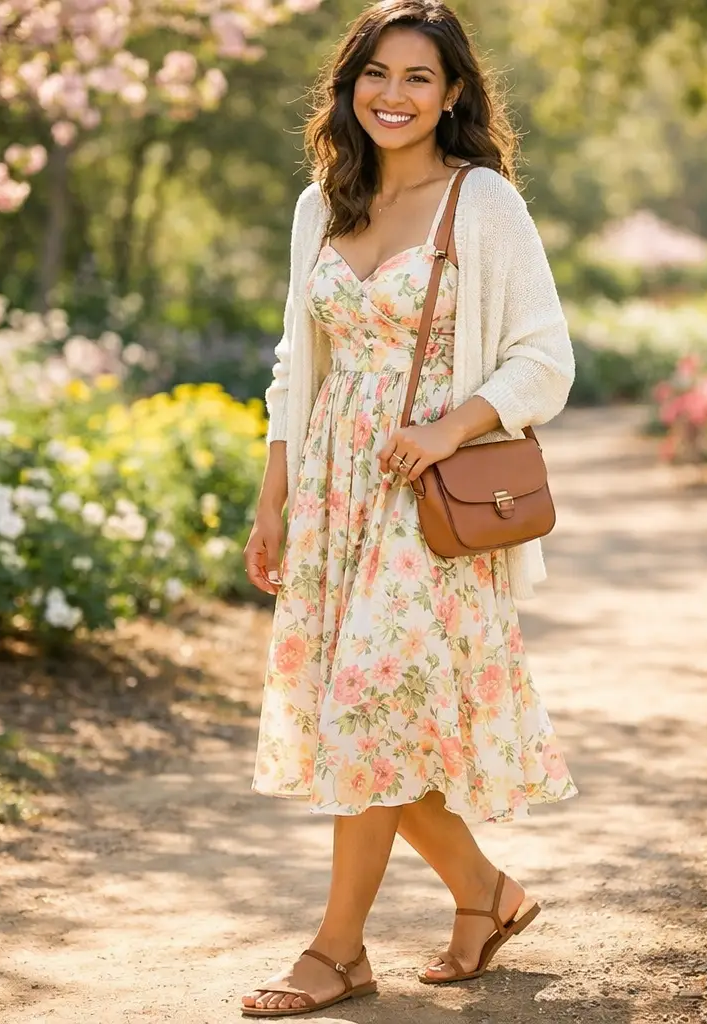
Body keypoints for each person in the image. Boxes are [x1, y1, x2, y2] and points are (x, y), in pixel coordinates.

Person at [239, 0, 578, 1015]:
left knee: (376, 709)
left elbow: (545, 358)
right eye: (375, 74)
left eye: (418, 77)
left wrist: (448, 428)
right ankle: (485, 893)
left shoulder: (482, 205)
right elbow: (299, 363)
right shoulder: (321, 205)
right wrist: (274, 498)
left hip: (423, 502)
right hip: (334, 499)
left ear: (455, 93)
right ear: (349, 86)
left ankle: (336, 950)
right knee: (374, 721)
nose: (393, 94)